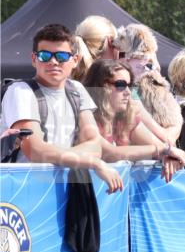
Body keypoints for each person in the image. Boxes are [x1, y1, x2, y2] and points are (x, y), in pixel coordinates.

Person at [0, 24, 122, 193]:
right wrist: (92, 162)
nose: (53, 62)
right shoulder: (21, 91)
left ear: (75, 60)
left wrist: (59, 155)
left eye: (62, 56)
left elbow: (95, 146)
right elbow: (35, 150)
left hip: (63, 191)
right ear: (34, 59)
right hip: (23, 194)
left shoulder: (77, 90)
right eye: (45, 55)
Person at [82, 60, 185, 182]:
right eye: (120, 85)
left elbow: (161, 145)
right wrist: (165, 150)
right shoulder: (86, 115)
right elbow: (109, 153)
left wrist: (169, 156)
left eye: (130, 85)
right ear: (101, 86)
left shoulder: (126, 117)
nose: (128, 92)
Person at [114, 23, 183, 145]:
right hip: (163, 128)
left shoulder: (135, 73)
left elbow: (134, 95)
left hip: (155, 125)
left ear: (137, 43)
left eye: (122, 38)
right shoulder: (149, 65)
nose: (115, 42)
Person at [72, 15, 118, 80]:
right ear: (110, 43)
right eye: (116, 42)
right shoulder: (111, 85)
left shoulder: (66, 78)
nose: (118, 48)